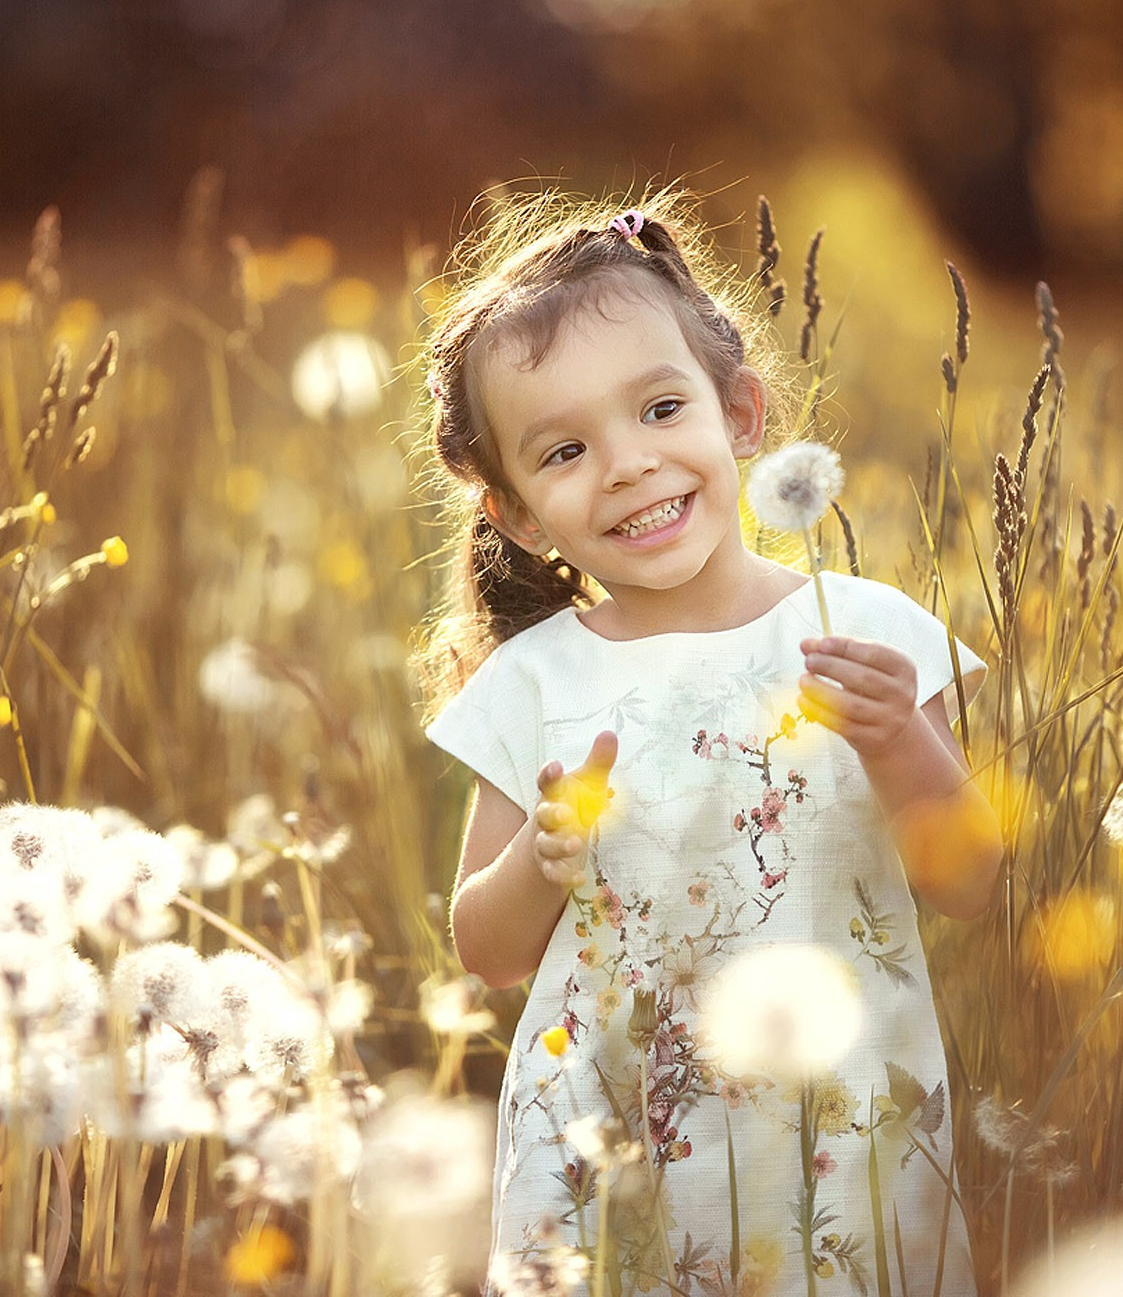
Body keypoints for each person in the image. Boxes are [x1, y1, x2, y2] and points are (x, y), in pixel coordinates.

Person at [410, 187, 1000, 1297]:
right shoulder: (532, 679)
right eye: (565, 448)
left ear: (739, 414)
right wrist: (538, 860)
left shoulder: (856, 627)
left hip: (838, 1138)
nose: (627, 463)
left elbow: (967, 878)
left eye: (660, 409)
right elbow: (485, 951)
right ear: (519, 516)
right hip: (608, 1153)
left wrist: (900, 752)